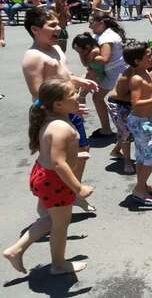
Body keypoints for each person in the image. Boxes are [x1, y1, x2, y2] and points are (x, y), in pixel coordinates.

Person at [2, 79, 94, 276]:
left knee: (53, 219)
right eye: (73, 94)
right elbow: (58, 163)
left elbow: (53, 152)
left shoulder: (53, 117)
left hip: (45, 176)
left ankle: (16, 251)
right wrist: (79, 188)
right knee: (61, 225)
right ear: (58, 104)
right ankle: (58, 265)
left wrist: (76, 155)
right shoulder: (61, 127)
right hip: (55, 181)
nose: (78, 95)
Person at [22, 7, 99, 213]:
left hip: (67, 108)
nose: (59, 28)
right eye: (52, 25)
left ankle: (73, 192)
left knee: (80, 152)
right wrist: (65, 107)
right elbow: (39, 92)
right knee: (56, 160)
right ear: (35, 30)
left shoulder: (55, 48)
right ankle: (47, 210)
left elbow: (63, 76)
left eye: (58, 24)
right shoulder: (33, 56)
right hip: (52, 115)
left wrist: (79, 80)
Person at [123, 41, 152, 209]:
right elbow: (135, 102)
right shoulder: (136, 78)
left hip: (146, 120)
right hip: (140, 122)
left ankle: (143, 186)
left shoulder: (147, 73)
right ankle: (139, 190)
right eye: (148, 55)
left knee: (143, 156)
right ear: (137, 61)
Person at [88, 13, 128, 138]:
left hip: (117, 72)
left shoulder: (107, 37)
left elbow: (105, 59)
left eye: (91, 23)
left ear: (101, 23)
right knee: (98, 97)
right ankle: (109, 129)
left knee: (118, 101)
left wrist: (87, 56)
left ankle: (123, 131)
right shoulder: (100, 34)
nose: (89, 26)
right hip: (111, 71)